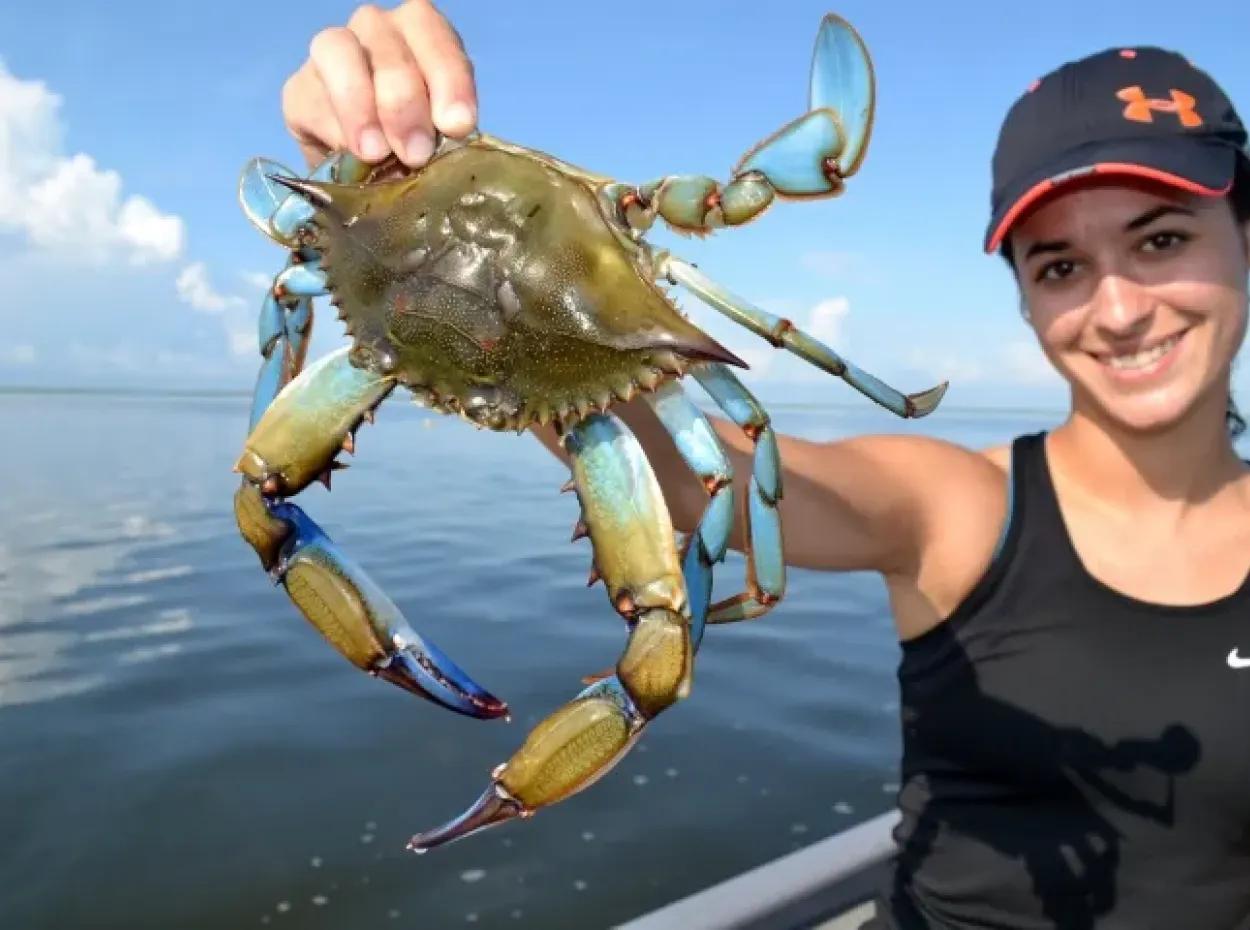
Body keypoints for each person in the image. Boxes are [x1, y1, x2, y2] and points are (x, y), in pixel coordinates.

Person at [280, 3, 1250, 927]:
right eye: (1058, 266)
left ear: (1242, 235)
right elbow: (730, 488)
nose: (1117, 308)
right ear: (1024, 297)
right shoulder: (958, 507)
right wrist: (429, 226)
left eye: (1159, 239)